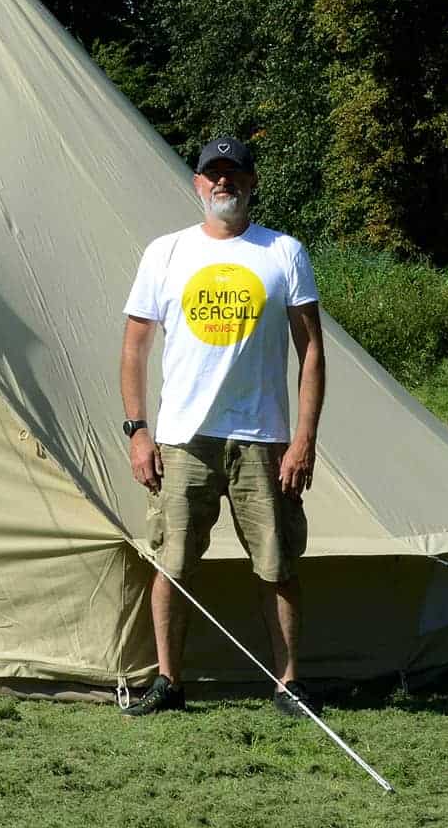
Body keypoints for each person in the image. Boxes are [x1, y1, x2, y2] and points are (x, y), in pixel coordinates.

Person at [118, 136, 325, 718]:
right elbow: (134, 349)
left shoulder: (283, 252)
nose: (223, 183)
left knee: (277, 564)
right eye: (214, 174)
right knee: (174, 562)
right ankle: (169, 682)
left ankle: (288, 684)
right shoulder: (165, 253)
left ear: (252, 182)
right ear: (197, 184)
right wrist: (138, 430)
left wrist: (304, 439)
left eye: (234, 174)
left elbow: (311, 351)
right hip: (183, 439)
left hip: (264, 439)